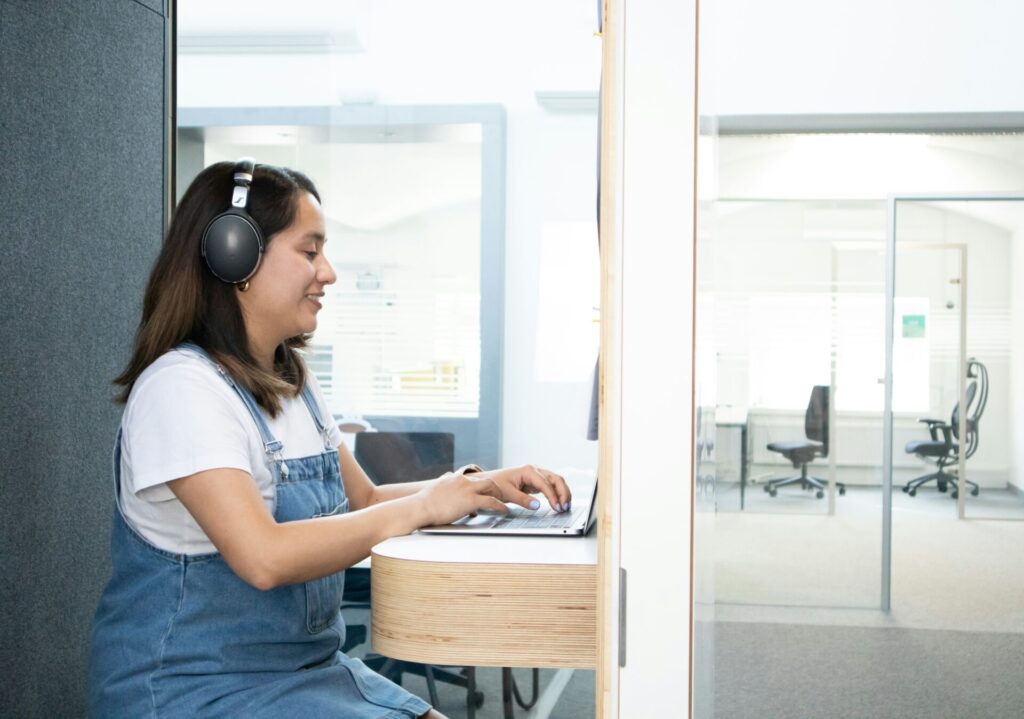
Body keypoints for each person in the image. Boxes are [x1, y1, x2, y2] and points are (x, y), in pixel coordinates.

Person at [88, 160, 571, 718]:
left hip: (307, 672)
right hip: (193, 691)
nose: (330, 273)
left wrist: (474, 487)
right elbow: (262, 556)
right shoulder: (182, 389)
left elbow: (363, 501)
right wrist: (423, 506)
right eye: (310, 251)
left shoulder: (293, 380)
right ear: (234, 254)